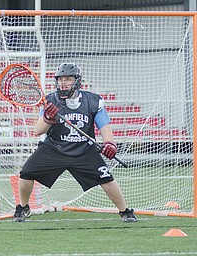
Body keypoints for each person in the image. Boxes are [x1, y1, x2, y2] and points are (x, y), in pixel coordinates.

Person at [13, 63, 137, 223]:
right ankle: (23, 207)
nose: (63, 83)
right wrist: (48, 119)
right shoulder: (49, 101)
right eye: (60, 79)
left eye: (68, 79)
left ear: (77, 81)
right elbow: (38, 130)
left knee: (107, 179)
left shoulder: (93, 100)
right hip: (54, 148)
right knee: (26, 173)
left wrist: (109, 143)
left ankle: (125, 211)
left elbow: (104, 125)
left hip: (84, 150)